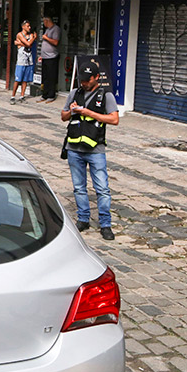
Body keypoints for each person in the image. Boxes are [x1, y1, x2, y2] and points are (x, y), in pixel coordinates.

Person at [60, 61, 119, 241]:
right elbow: (63, 116)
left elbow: (114, 119)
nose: (84, 83)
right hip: (74, 148)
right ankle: (83, 219)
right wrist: (71, 111)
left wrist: (88, 112)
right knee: (79, 187)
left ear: (95, 78)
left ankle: (105, 224)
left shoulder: (106, 95)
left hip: (95, 149)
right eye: (82, 80)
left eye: (87, 80)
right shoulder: (74, 93)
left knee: (102, 188)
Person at [10, 20, 36, 104]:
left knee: (25, 79)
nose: (29, 28)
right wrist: (32, 39)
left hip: (29, 60)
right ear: (23, 26)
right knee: (18, 79)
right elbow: (28, 44)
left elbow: (29, 44)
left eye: (30, 26)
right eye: (27, 26)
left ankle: (22, 95)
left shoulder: (31, 35)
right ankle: (13, 96)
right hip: (21, 61)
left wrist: (20, 43)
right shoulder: (20, 35)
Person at [38, 16, 61, 103]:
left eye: (44, 22)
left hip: (52, 57)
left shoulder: (56, 29)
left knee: (51, 76)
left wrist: (46, 38)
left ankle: (51, 95)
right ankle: (45, 94)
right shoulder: (47, 29)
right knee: (45, 77)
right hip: (45, 56)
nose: (44, 24)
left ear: (48, 21)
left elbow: (55, 42)